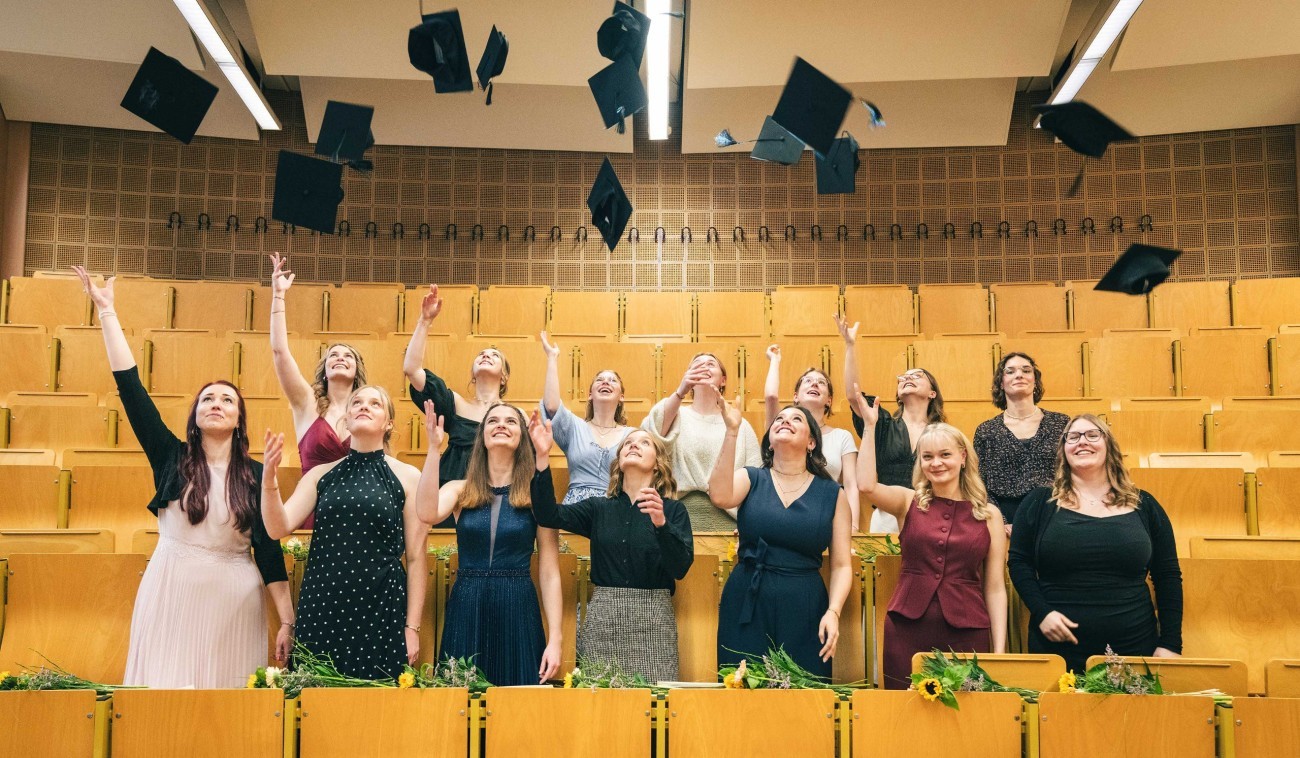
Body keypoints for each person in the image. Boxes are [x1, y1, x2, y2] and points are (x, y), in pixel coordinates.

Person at [72, 266, 293, 688]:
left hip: (235, 599)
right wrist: (107, 313)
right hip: (171, 586)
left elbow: (269, 553)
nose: (216, 403)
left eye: (227, 399)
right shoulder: (170, 457)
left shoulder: (257, 474)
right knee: (164, 692)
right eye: (207, 398)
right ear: (194, 415)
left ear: (239, 419)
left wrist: (286, 621)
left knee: (223, 701)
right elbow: (131, 390)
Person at [261, 386, 434, 679]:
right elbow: (277, 527)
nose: (364, 407)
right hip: (324, 602)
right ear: (347, 418)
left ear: (388, 423)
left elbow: (417, 558)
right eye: (357, 402)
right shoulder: (320, 474)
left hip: (382, 606)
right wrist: (269, 480)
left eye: (375, 404)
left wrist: (412, 627)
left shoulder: (408, 476)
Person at [1008, 414, 1183, 674]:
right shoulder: (1038, 502)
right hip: (1058, 650)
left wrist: (1170, 643)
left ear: (1108, 445)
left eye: (1092, 434)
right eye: (1073, 436)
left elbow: (1167, 575)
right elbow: (1019, 563)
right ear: (1063, 450)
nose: (1082, 442)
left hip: (1134, 647)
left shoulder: (1144, 504)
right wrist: (1042, 612)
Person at [855, 396, 1008, 690]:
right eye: (927, 457)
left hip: (968, 630)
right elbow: (865, 486)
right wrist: (870, 428)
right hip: (907, 629)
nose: (936, 463)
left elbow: (996, 587)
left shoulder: (989, 515)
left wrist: (998, 651)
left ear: (963, 457)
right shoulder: (907, 501)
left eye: (945, 455)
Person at [529, 420, 693, 681]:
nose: (633, 445)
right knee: (600, 707)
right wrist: (542, 458)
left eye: (643, 442)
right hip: (603, 617)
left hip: (654, 621)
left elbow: (680, 568)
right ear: (618, 462)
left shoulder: (673, 511)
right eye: (627, 443)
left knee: (652, 705)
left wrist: (662, 525)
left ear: (658, 463)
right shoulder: (599, 508)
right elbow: (548, 515)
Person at [419, 402, 564, 686]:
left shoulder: (536, 495)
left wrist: (556, 638)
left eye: (511, 421)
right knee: (461, 701)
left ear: (522, 436)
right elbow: (426, 513)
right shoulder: (459, 489)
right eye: (493, 421)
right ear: (482, 436)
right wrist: (434, 450)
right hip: (467, 602)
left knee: (517, 707)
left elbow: (549, 571)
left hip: (518, 603)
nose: (501, 425)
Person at [711, 400, 853, 679]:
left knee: (804, 698)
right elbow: (719, 495)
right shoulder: (752, 478)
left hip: (805, 603)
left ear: (812, 442)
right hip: (747, 598)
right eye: (779, 419)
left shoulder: (833, 494)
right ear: (770, 443)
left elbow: (841, 565)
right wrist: (731, 430)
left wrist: (834, 612)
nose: (785, 421)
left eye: (796, 419)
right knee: (740, 692)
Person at [268, 253, 369, 529]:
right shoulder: (306, 404)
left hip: (360, 514)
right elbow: (279, 352)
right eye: (333, 355)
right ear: (324, 369)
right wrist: (278, 298)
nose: (340, 358)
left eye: (347, 356)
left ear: (356, 369)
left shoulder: (368, 411)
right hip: (314, 510)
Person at [839, 316, 946, 533]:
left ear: (932, 393)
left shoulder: (943, 433)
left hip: (933, 511)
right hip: (888, 515)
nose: (908, 378)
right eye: (903, 377)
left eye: (917, 375)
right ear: (898, 394)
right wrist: (850, 345)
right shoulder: (883, 423)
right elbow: (853, 395)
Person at [642, 353, 761, 531]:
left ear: (723, 380)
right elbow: (649, 436)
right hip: (675, 519)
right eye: (697, 364)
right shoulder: (675, 414)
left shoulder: (740, 425)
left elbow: (756, 477)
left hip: (729, 521)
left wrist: (751, 522)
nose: (704, 366)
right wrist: (680, 391)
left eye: (711, 364)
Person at [763, 343, 860, 527]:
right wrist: (774, 361)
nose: (814, 383)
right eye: (807, 381)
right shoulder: (783, 430)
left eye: (821, 382)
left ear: (829, 401)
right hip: (781, 511)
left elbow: (851, 485)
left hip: (826, 515)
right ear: (796, 397)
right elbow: (771, 397)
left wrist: (853, 527)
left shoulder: (842, 436)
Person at [972, 352, 1070, 529]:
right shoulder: (986, 431)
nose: (1019, 375)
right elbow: (979, 482)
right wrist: (999, 521)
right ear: (1001, 383)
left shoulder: (1061, 423)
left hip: (1055, 515)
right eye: (1010, 371)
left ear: (1035, 380)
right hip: (1003, 520)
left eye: (1026, 370)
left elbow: (1073, 473)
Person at [539, 331, 632, 502]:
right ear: (590, 394)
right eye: (600, 380)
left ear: (622, 397)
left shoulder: (631, 435)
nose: (605, 382)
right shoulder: (575, 427)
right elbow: (551, 406)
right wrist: (552, 358)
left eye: (612, 380)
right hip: (576, 509)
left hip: (614, 509)